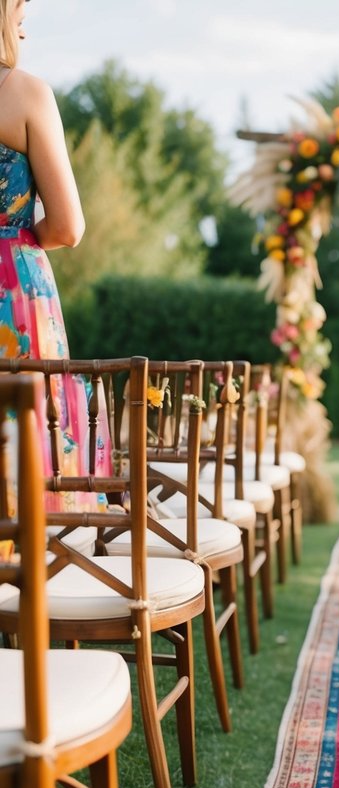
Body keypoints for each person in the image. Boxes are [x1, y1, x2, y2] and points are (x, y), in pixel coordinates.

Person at [0, 0, 110, 504]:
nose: (23, 38)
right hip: (15, 291)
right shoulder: (23, 93)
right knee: (28, 423)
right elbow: (69, 227)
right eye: (19, 24)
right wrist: (17, 238)